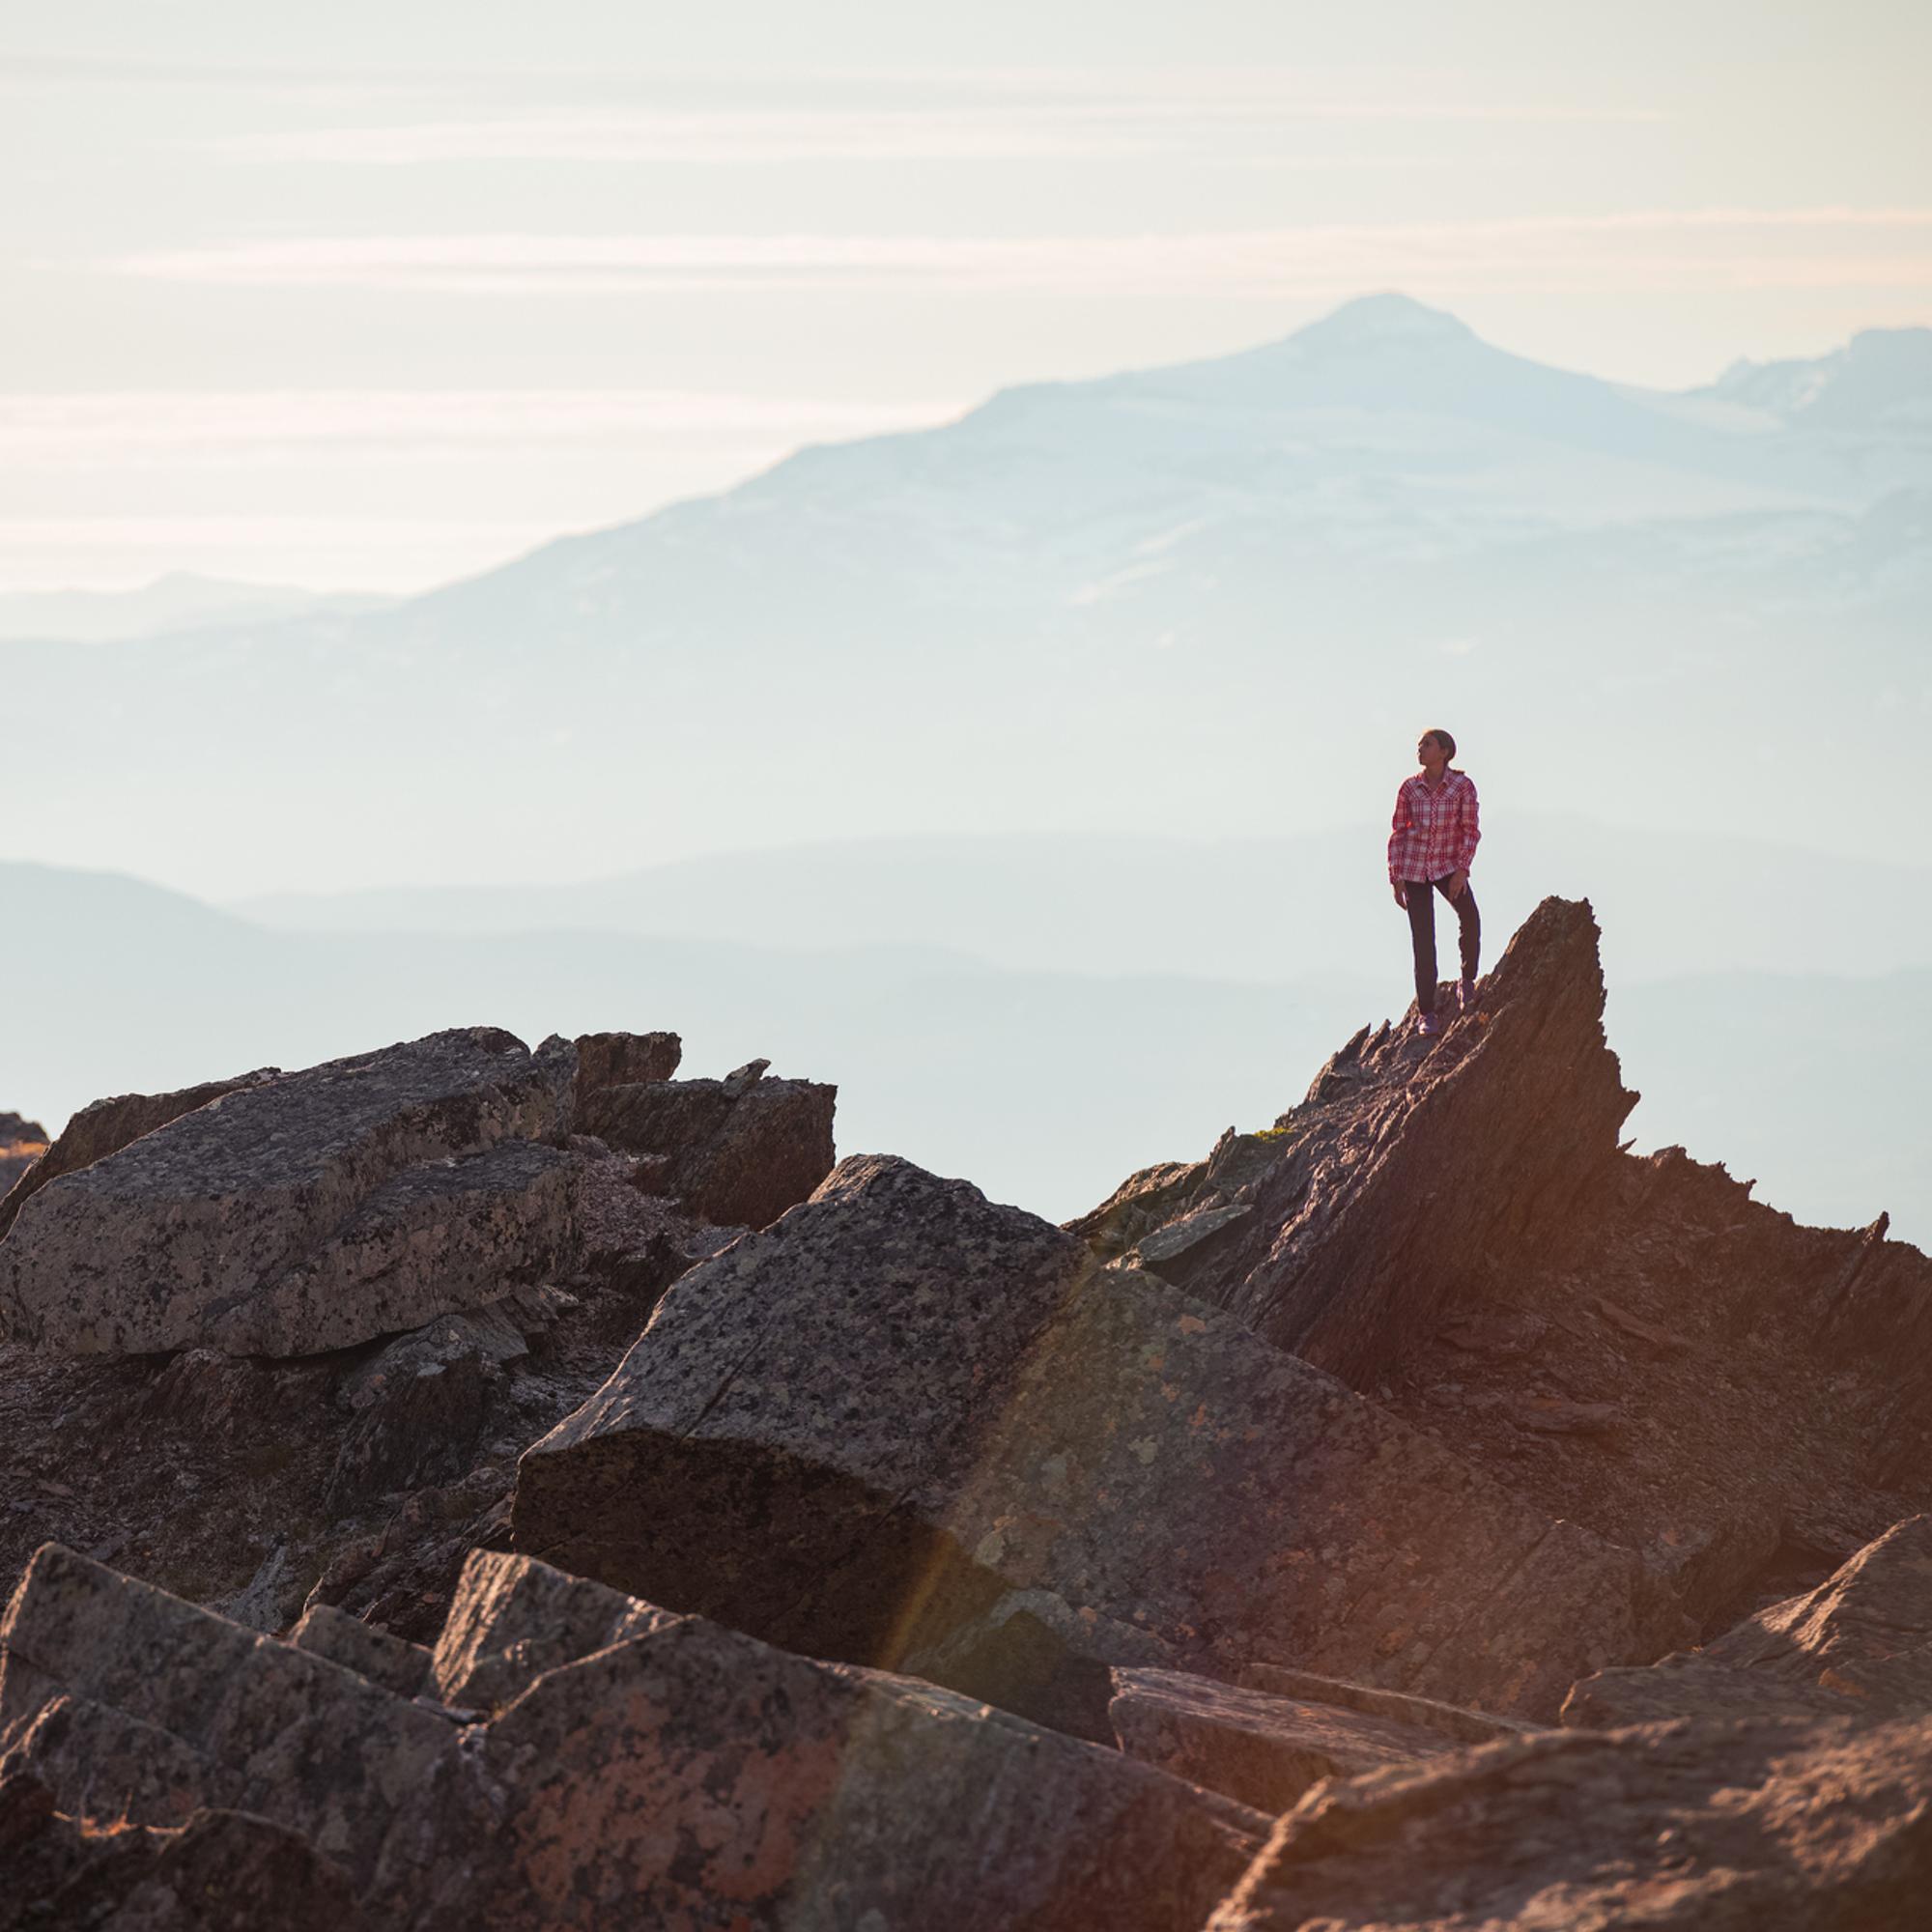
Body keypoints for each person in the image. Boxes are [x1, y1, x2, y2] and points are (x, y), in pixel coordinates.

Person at [1388, 729, 1481, 1038]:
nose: (1420, 749)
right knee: (1423, 941)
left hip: (1446, 865)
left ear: (1444, 751)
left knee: (1469, 916)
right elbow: (1398, 833)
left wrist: (1462, 871)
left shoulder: (1462, 787)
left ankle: (1467, 981)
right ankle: (1426, 1013)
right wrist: (1396, 877)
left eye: (1427, 745)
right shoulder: (1410, 789)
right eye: (1419, 745)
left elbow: (1470, 831)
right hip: (1414, 869)